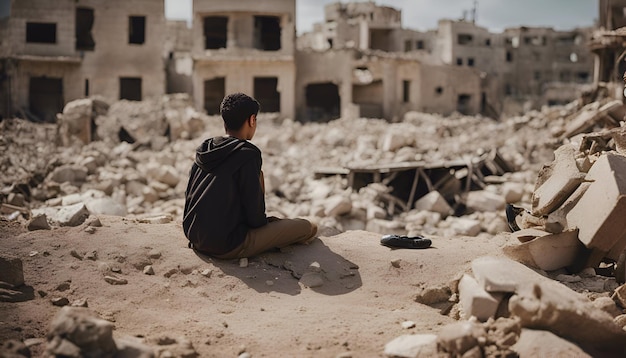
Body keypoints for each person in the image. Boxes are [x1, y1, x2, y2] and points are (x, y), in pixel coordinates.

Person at [183, 92, 317, 259]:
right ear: (252, 120)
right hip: (227, 245)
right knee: (308, 226)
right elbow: (256, 220)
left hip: (195, 238)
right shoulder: (248, 154)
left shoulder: (205, 148)